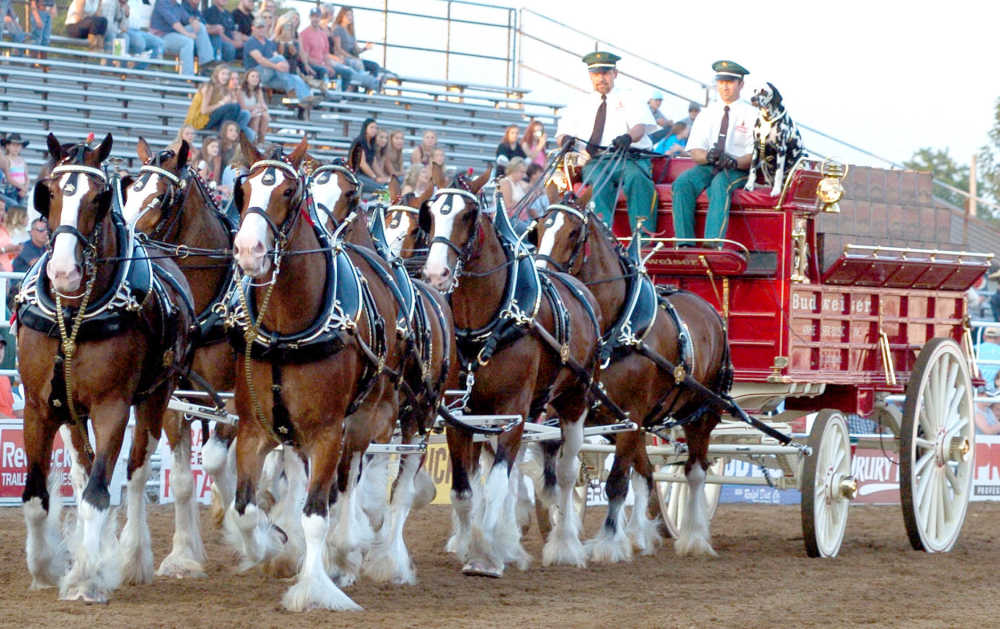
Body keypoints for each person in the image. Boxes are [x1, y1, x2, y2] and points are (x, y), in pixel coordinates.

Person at [555, 51, 656, 231]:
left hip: (628, 158)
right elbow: (561, 134)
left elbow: (639, 128)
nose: (601, 78)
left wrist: (628, 137)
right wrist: (565, 141)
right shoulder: (579, 103)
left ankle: (643, 237)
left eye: (605, 73)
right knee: (596, 182)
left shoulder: (630, 97)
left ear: (614, 74)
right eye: (596, 74)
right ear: (590, 76)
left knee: (637, 179)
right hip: (596, 160)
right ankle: (601, 234)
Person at [671, 60, 755, 246]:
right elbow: (696, 152)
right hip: (709, 165)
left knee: (720, 184)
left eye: (731, 82)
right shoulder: (706, 113)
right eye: (721, 81)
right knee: (682, 184)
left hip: (738, 170)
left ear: (741, 84)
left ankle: (713, 243)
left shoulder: (752, 114)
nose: (725, 86)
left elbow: (753, 157)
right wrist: (708, 156)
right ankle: (684, 244)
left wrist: (733, 162)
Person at [243, 16, 315, 106]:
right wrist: (277, 65)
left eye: (263, 27)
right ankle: (291, 92)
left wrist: (284, 64)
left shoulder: (269, 43)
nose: (261, 30)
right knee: (279, 60)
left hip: (269, 78)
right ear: (253, 28)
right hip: (255, 74)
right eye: (258, 27)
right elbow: (260, 60)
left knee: (294, 78)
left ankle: (306, 99)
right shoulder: (251, 42)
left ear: (266, 28)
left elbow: (276, 55)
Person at [299, 5, 358, 93]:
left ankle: (341, 98)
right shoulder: (304, 34)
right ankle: (323, 98)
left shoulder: (323, 34)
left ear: (320, 18)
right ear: (309, 17)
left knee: (347, 73)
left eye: (317, 17)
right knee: (324, 71)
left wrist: (329, 65)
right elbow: (305, 57)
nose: (315, 19)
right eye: (313, 17)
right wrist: (323, 65)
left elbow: (325, 54)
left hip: (323, 65)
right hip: (312, 66)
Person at [187, 64, 255, 140]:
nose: (225, 77)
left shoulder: (223, 88)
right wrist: (222, 103)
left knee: (245, 116)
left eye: (227, 74)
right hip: (201, 120)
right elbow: (204, 111)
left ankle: (232, 136)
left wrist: (235, 94)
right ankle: (224, 138)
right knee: (234, 107)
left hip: (213, 118)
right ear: (216, 75)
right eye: (223, 74)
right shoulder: (209, 87)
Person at [150, 0, 215, 76]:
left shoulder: (177, 5)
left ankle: (206, 63)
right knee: (187, 41)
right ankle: (187, 77)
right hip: (160, 38)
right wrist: (187, 34)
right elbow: (173, 22)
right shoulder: (162, 2)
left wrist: (193, 21)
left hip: (173, 34)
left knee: (200, 26)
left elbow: (187, 17)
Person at [332, 6, 389, 91]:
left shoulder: (351, 31)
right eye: (347, 15)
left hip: (354, 59)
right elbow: (338, 49)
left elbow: (356, 50)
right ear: (342, 16)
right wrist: (352, 58)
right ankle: (374, 84)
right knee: (357, 65)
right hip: (345, 59)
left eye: (351, 15)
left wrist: (365, 48)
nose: (350, 17)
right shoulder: (337, 29)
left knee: (374, 66)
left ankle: (368, 89)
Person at [112, 0, 165, 69]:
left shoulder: (142, 1)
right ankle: (125, 70)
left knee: (159, 43)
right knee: (140, 42)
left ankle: (139, 70)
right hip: (125, 29)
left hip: (139, 31)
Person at [350, 118, 387, 192]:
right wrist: (375, 178)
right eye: (371, 127)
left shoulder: (371, 143)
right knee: (382, 190)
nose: (374, 130)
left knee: (386, 185)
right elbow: (362, 164)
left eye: (376, 128)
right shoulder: (359, 141)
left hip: (366, 176)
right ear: (365, 128)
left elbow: (374, 163)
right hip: (356, 175)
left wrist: (382, 177)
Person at [239, 67, 270, 140]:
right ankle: (253, 141)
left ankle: (261, 139)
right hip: (243, 113)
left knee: (265, 116)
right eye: (252, 76)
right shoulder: (240, 90)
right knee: (257, 116)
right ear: (247, 78)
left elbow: (262, 105)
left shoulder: (258, 90)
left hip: (254, 111)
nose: (255, 78)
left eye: (257, 77)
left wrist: (263, 109)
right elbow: (243, 108)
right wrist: (255, 107)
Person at [498, 156, 529, 228]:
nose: (524, 175)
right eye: (522, 172)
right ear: (514, 170)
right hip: (508, 220)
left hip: (520, 218)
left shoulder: (519, 183)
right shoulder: (505, 182)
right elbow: (507, 205)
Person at [0, 134, 30, 206]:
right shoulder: (6, 159)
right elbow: (9, 178)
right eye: (13, 145)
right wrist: (21, 187)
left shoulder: (22, 160)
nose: (16, 148)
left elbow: (26, 177)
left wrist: (25, 188)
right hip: (11, 189)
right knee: (13, 208)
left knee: (20, 211)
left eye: (18, 145)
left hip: (21, 190)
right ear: (7, 146)